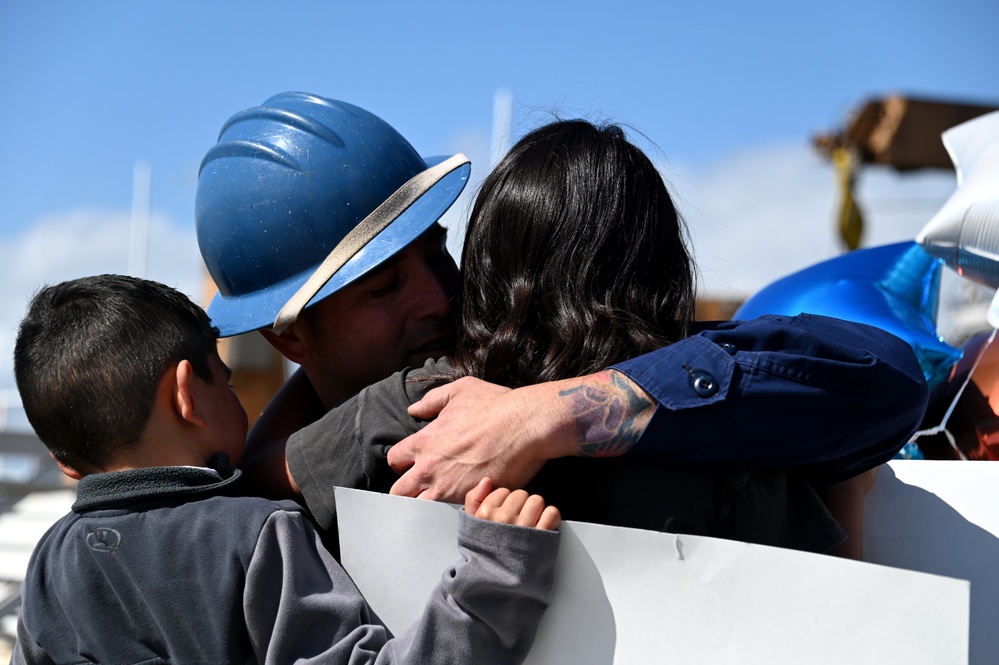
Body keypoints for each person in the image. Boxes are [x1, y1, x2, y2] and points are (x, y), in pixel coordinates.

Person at [195, 93, 927, 546]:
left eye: (439, 255)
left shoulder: (404, 415)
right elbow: (883, 376)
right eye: (384, 288)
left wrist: (540, 416)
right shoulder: (748, 423)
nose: (437, 297)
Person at [11, 274, 560, 665]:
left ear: (63, 458)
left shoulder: (49, 563)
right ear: (187, 397)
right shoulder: (255, 535)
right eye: (224, 382)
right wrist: (495, 573)